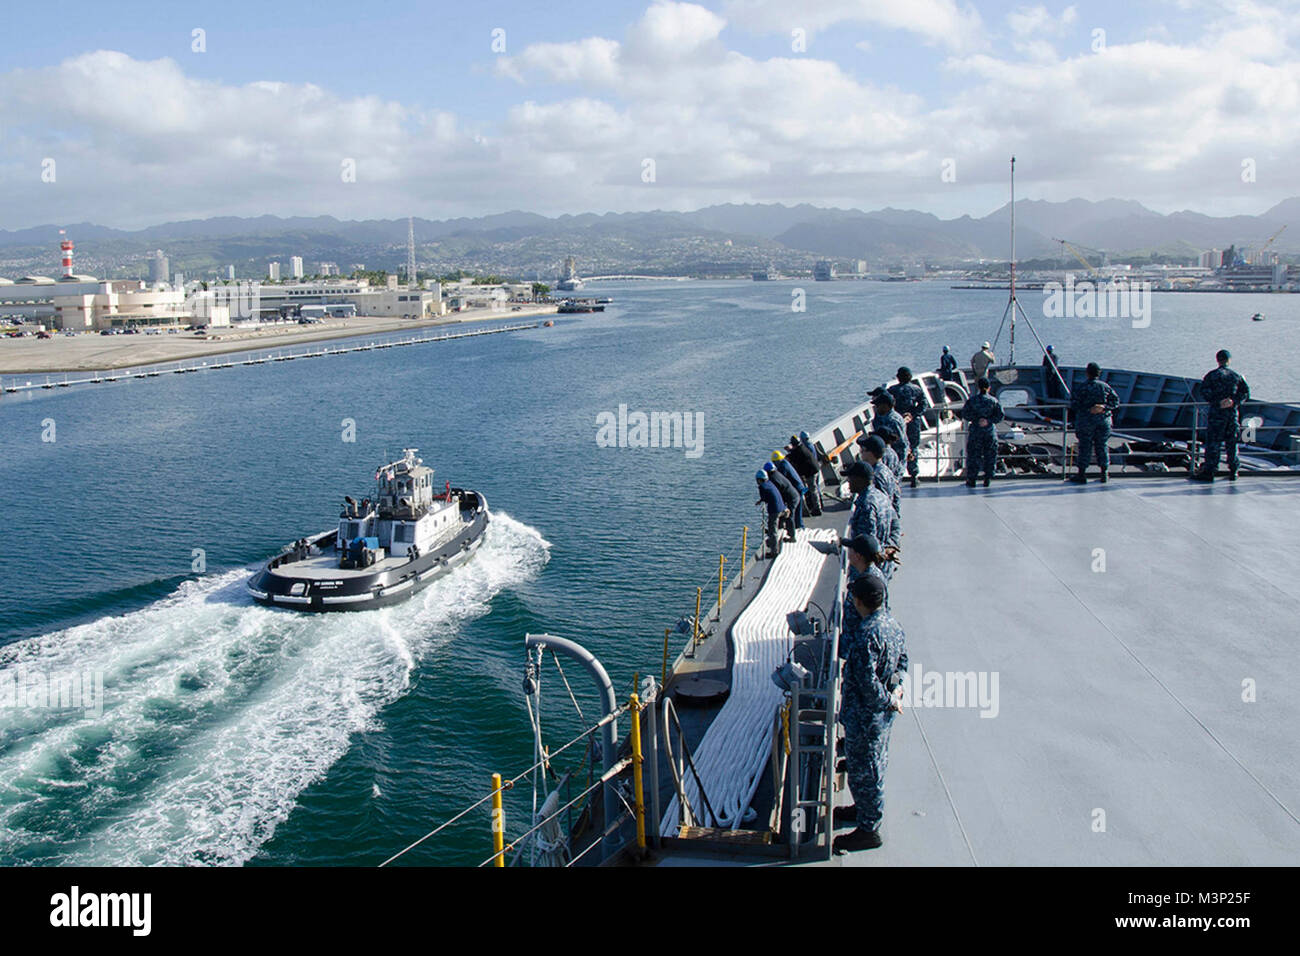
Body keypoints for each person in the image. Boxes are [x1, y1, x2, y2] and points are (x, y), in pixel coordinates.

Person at [833, 574, 907, 854]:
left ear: (858, 601)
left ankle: (868, 830)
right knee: (869, 768)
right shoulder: (892, 624)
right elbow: (903, 662)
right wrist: (897, 687)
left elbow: (867, 683)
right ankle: (862, 810)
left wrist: (888, 699)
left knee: (867, 770)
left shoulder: (866, 635)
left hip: (865, 717)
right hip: (879, 717)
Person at [1193, 349, 1250, 482]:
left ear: (1217, 360)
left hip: (1216, 415)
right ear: (1229, 360)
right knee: (1232, 444)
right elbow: (1245, 393)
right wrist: (1233, 401)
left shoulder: (1211, 376)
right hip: (1232, 415)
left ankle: (1210, 471)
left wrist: (1217, 402)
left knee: (1214, 443)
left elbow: (1204, 391)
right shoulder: (1236, 376)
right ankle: (1234, 470)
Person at [843, 460, 900, 578]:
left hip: (867, 568)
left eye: (850, 478)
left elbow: (867, 543)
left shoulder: (866, 505)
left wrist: (842, 542)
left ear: (860, 480)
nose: (848, 481)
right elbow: (895, 524)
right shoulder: (880, 496)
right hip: (882, 566)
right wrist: (891, 546)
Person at [1069, 362, 1120, 484]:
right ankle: (1104, 473)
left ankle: (1081, 474)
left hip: (1086, 421)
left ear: (1087, 373)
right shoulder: (1105, 387)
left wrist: (1088, 409)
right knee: (1102, 445)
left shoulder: (1081, 388)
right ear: (1099, 373)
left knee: (1085, 446)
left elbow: (1074, 404)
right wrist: (1103, 407)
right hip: (1103, 421)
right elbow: (1116, 401)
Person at [839, 534, 893, 642]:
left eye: (851, 549)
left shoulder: (868, 582)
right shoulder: (872, 576)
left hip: (861, 641)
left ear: (858, 556)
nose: (848, 552)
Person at [960, 376, 1004, 487]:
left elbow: (965, 414)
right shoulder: (993, 401)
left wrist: (976, 419)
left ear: (978, 387)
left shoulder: (972, 401)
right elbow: (1000, 416)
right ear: (989, 388)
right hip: (989, 432)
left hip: (976, 431)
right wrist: (988, 421)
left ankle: (972, 479)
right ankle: (987, 478)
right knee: (990, 455)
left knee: (974, 455)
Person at [888, 367, 926, 488]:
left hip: (896, 423)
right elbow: (923, 404)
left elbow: (886, 404)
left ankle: (896, 476)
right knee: (913, 447)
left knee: (896, 448)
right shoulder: (916, 390)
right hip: (912, 423)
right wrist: (912, 414)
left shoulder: (892, 390)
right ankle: (914, 475)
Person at [856, 434, 901, 518]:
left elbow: (877, 503)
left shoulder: (875, 476)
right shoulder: (885, 470)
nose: (861, 453)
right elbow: (896, 494)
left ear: (870, 453)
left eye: (863, 450)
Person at [786, 432, 823, 516]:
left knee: (813, 490)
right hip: (814, 469)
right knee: (814, 489)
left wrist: (789, 452)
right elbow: (795, 454)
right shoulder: (802, 447)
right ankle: (816, 506)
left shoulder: (799, 451)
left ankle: (817, 508)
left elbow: (793, 457)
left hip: (811, 472)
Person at [764, 461, 802, 536]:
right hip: (792, 496)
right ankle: (778, 531)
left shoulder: (774, 479)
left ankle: (792, 536)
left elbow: (777, 494)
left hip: (792, 498)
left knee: (789, 516)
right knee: (783, 514)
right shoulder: (777, 474)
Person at [755, 469, 788, 556]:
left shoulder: (762, 487)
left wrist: (761, 500)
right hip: (781, 507)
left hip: (775, 510)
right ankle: (772, 541)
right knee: (772, 527)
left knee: (773, 530)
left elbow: (765, 497)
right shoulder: (769, 483)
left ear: (759, 480)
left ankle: (774, 551)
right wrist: (761, 500)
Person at [869, 391, 908, 464]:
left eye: (878, 405)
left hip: (895, 456)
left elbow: (899, 441)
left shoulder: (893, 421)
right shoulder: (884, 417)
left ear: (885, 405)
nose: (876, 407)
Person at [772, 450, 808, 527]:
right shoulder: (785, 463)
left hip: (797, 489)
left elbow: (782, 480)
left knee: (796, 510)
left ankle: (799, 526)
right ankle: (798, 525)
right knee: (797, 509)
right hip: (797, 487)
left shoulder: (783, 466)